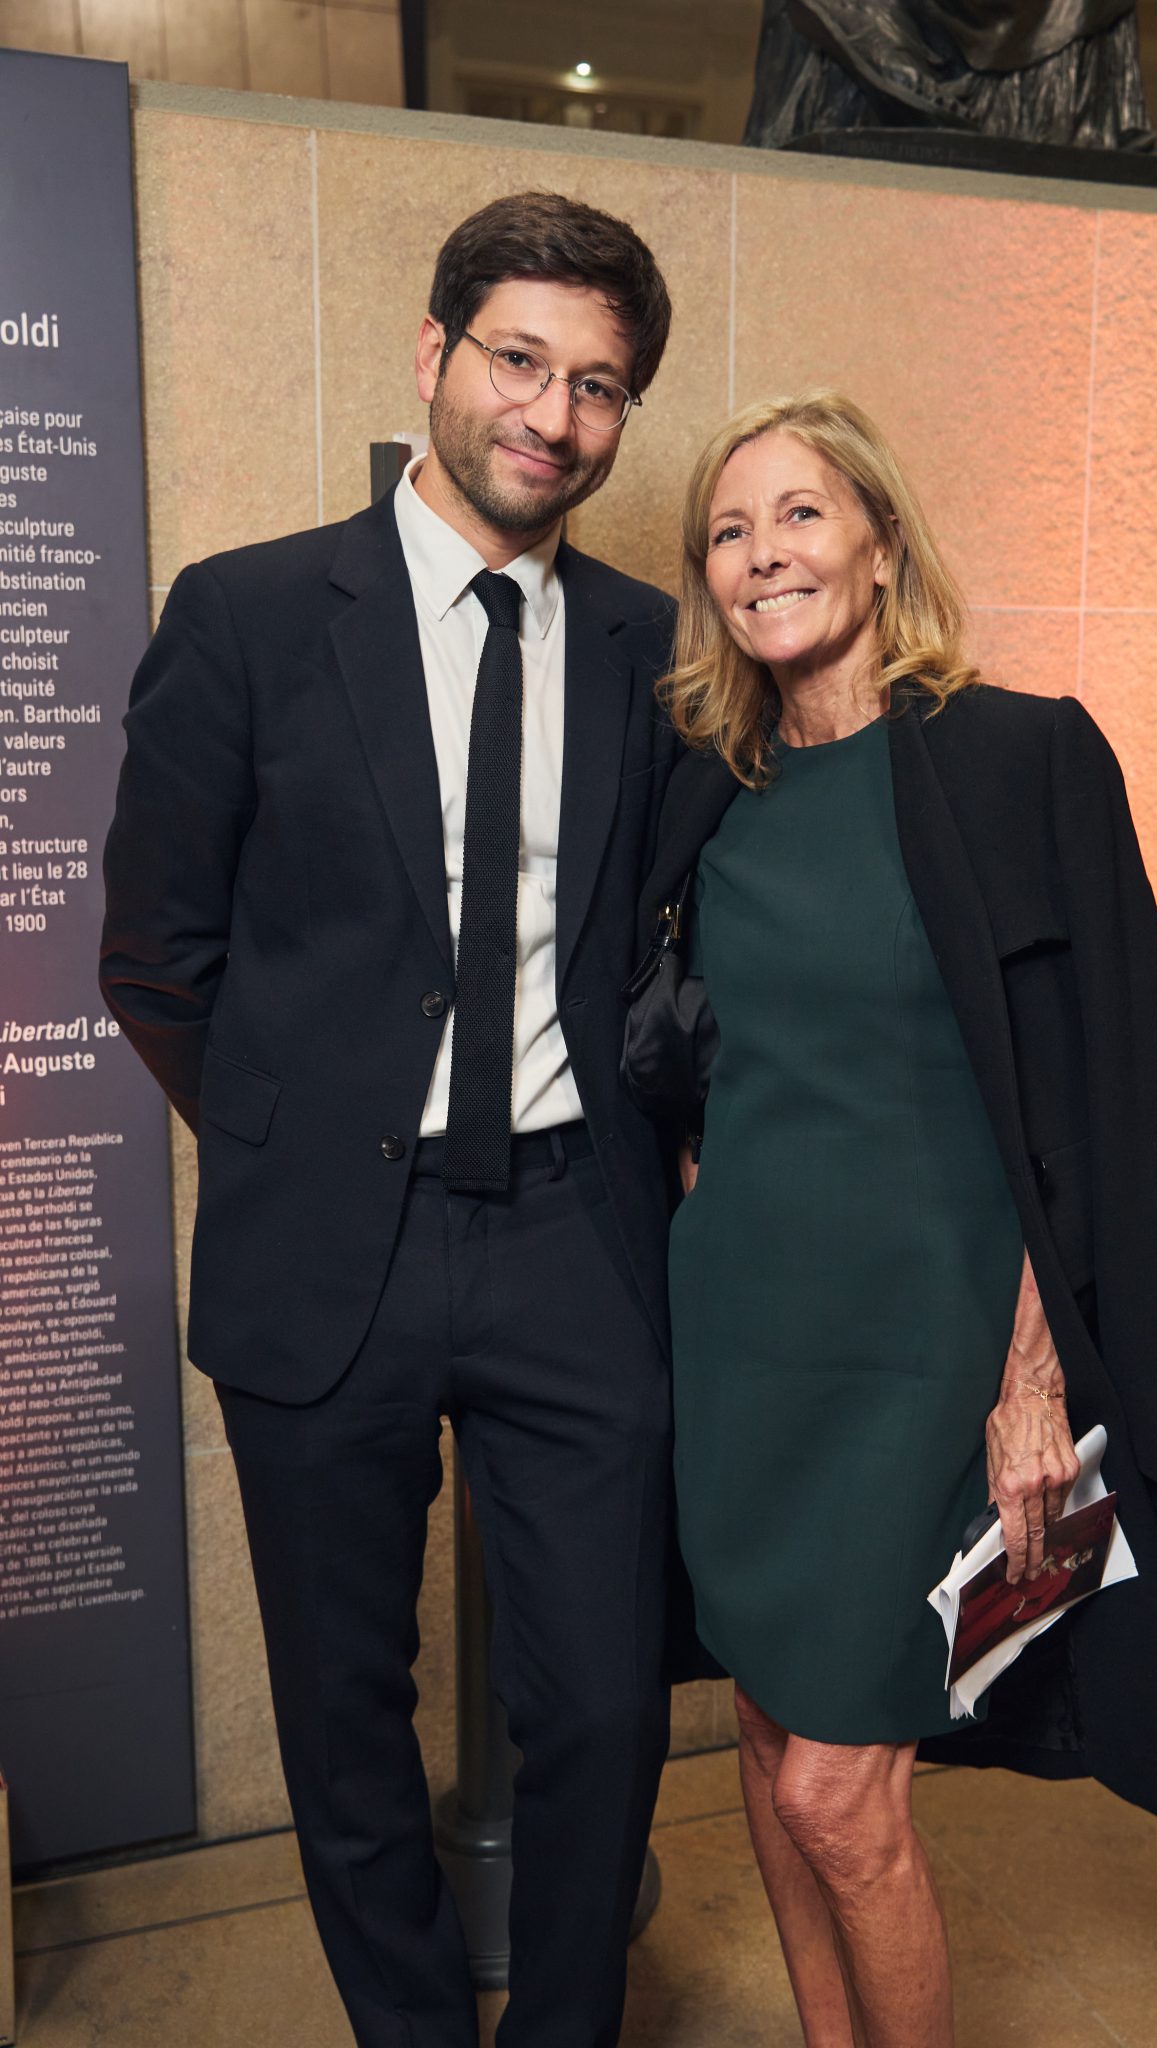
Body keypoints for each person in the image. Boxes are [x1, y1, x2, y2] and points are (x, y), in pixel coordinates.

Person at [100, 192, 687, 2048]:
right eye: (519, 359)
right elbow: (155, 953)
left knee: (607, 1705)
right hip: (326, 1248)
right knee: (345, 1715)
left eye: (597, 385)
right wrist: (289, 1139)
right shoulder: (253, 613)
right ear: (435, 354)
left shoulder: (652, 648)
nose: (552, 415)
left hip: (575, 1238)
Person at [632, 390, 1157, 2047]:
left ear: (883, 543)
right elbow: (682, 1054)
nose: (763, 556)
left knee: (837, 1788)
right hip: (743, 1345)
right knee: (768, 1732)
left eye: (800, 515)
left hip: (926, 1357)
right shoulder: (710, 792)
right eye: (729, 532)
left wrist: (1033, 1379)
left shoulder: (1018, 758)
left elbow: (1103, 1094)